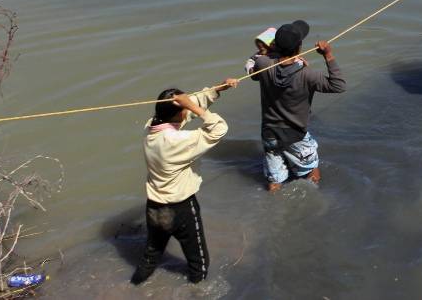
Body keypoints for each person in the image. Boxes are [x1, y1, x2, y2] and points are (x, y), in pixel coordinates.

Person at [132, 78, 239, 286]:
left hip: (154, 207)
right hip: (181, 209)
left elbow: (184, 111)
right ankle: (196, 291)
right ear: (179, 113)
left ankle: (134, 284)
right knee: (199, 263)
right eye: (185, 108)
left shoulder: (150, 128)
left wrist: (217, 89)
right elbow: (219, 129)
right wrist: (192, 106)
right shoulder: (176, 142)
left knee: (151, 255)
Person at [251, 20, 346, 190]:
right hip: (296, 135)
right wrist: (328, 55)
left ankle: (273, 207)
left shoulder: (263, 65)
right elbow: (338, 85)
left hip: (269, 133)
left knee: (275, 180)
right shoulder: (307, 74)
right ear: (300, 47)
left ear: (275, 45)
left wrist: (270, 53)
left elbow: (253, 68)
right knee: (311, 171)